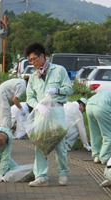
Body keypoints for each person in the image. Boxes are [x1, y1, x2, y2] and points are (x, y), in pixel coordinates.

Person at [25, 42, 73, 187]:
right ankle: (41, 176)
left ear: (42, 56)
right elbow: (29, 97)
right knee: (40, 142)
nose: (33, 63)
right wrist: (38, 106)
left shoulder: (59, 70)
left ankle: (63, 173)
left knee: (59, 143)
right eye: (30, 61)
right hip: (42, 113)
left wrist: (56, 91)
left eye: (34, 59)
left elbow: (69, 90)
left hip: (56, 111)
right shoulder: (34, 76)